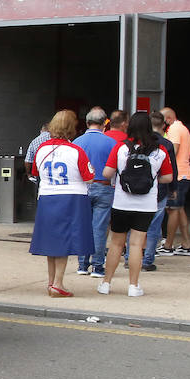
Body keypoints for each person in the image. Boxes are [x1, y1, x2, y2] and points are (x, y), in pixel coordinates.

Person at [99, 111, 173, 297]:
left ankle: (106, 283)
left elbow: (107, 173)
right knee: (136, 245)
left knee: (116, 244)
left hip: (122, 203)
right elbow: (168, 177)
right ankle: (133, 286)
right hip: (146, 205)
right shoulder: (160, 150)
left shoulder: (121, 147)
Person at [28, 110, 95, 297]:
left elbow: (35, 172)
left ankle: (51, 283)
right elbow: (89, 178)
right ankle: (58, 283)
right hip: (71, 198)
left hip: (47, 196)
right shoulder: (76, 150)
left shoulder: (42, 149)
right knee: (65, 241)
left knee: (51, 242)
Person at [72, 107, 117, 279]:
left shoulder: (77, 142)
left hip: (82, 187)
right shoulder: (111, 143)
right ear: (105, 123)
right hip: (104, 186)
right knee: (99, 228)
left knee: (83, 226)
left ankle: (82, 264)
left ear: (86, 122)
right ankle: (98, 266)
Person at [136, 111, 177, 272]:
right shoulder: (166, 145)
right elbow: (171, 171)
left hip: (137, 189)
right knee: (154, 227)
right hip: (159, 190)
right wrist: (174, 188)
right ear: (163, 125)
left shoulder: (136, 142)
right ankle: (147, 260)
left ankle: (129, 258)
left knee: (135, 225)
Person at [160, 106, 190, 257]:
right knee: (179, 210)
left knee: (172, 210)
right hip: (183, 173)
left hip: (178, 174)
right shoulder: (182, 128)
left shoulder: (174, 129)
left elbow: (172, 152)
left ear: (168, 119)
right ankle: (186, 244)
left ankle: (168, 245)